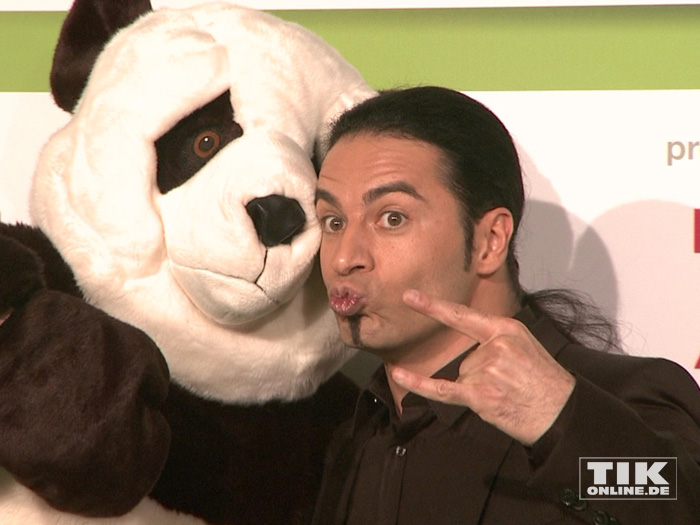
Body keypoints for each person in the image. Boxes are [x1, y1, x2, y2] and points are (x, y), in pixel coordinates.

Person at [311, 86, 700, 524]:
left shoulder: (625, 396)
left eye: (392, 218)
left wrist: (560, 420)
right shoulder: (355, 440)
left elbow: (676, 503)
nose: (344, 258)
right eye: (333, 222)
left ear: (490, 241)